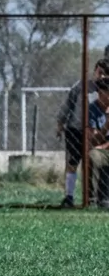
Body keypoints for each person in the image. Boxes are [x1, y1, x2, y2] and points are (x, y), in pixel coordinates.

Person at [56, 59, 109, 208]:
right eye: (100, 73)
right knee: (72, 163)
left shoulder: (106, 88)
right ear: (95, 71)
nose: (102, 77)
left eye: (106, 74)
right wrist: (60, 123)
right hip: (76, 129)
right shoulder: (82, 86)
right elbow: (68, 103)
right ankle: (69, 196)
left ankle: (92, 198)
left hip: (96, 131)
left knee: (92, 162)